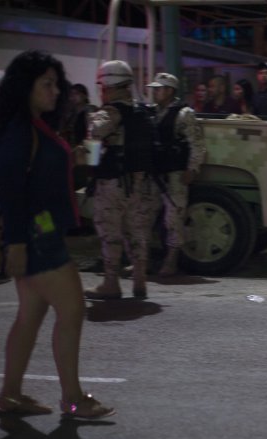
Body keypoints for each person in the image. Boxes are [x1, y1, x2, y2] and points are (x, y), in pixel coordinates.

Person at [0, 49, 114, 419]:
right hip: (35, 235)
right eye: (47, 84)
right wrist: (15, 244)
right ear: (25, 87)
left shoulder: (33, 126)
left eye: (56, 83)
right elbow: (12, 190)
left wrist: (71, 159)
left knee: (30, 315)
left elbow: (36, 176)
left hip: (38, 232)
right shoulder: (20, 130)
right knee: (73, 309)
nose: (56, 91)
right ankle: (73, 399)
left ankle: (11, 395)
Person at [85, 60, 160, 300]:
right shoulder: (142, 111)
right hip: (140, 183)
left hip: (114, 183)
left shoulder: (110, 112)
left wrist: (90, 121)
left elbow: (94, 139)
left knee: (111, 233)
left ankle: (111, 283)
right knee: (136, 233)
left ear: (108, 84)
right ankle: (140, 281)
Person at [146, 72, 206, 276]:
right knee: (144, 216)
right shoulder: (153, 112)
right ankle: (141, 260)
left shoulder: (184, 114)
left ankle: (171, 260)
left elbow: (196, 143)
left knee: (174, 218)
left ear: (170, 91)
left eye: (159, 89)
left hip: (174, 174)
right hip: (155, 173)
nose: (154, 92)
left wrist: (192, 169)